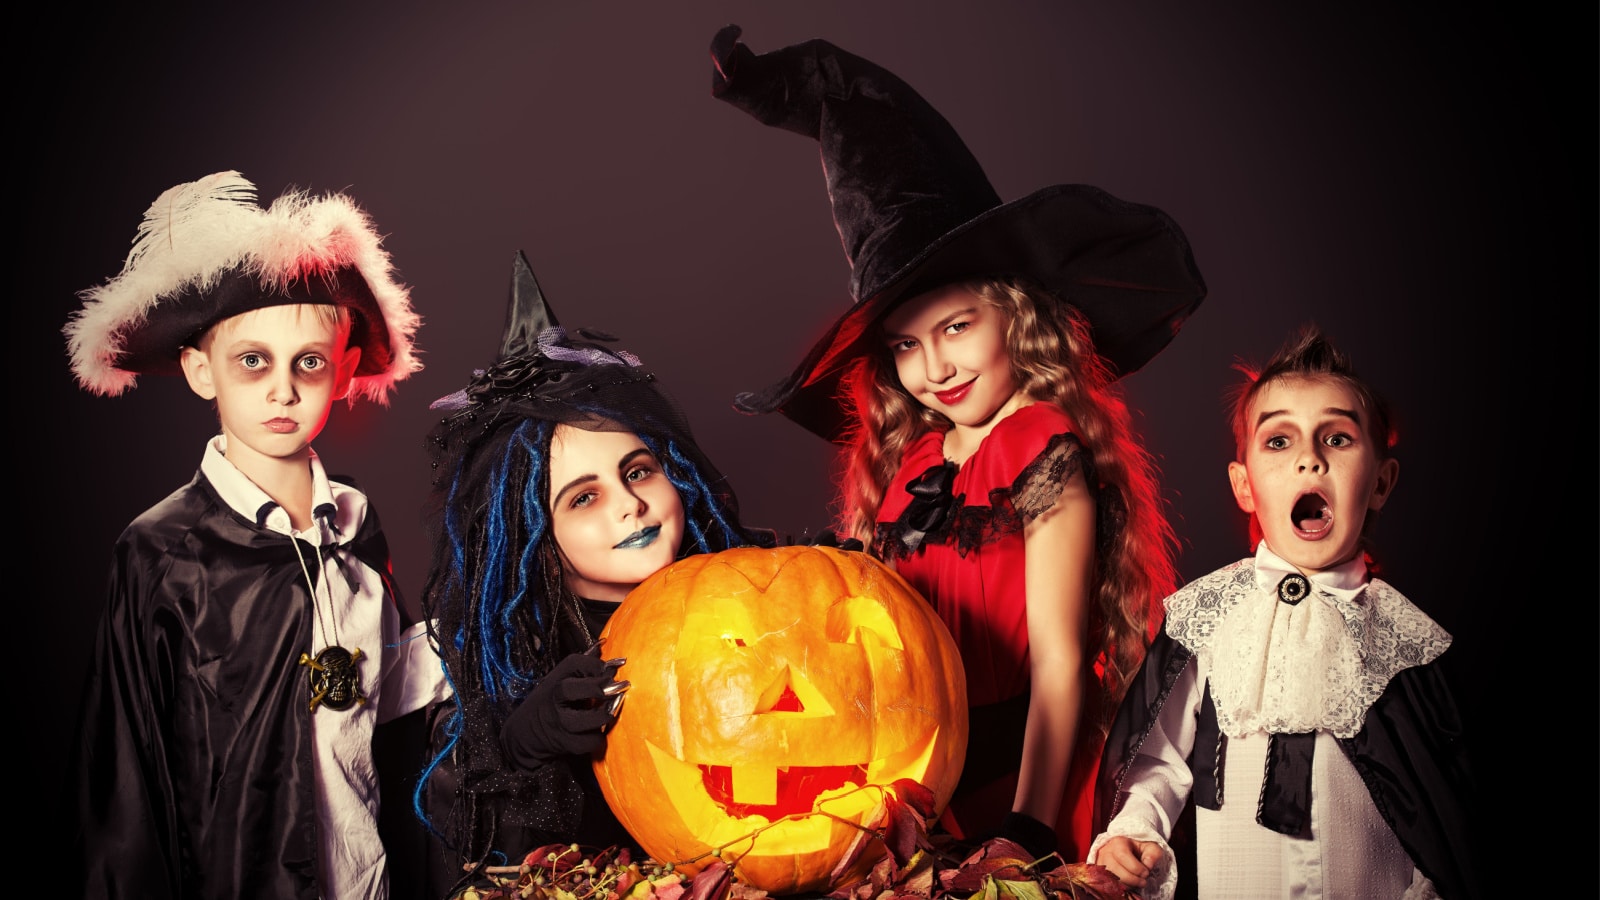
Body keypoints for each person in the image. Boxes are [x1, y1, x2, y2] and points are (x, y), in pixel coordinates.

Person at [709, 26, 1205, 863]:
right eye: (904, 345)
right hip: (925, 783)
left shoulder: (1041, 444)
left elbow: (1057, 664)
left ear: (1016, 313)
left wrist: (1030, 829)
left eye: (956, 326)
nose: (933, 366)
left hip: (1022, 782)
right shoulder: (912, 470)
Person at [64, 171, 447, 900]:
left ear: (343, 373)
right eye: (253, 362)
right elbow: (124, 777)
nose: (282, 390)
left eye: (308, 363)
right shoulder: (163, 553)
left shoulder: (356, 527)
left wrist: (481, 626)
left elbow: (379, 692)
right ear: (200, 371)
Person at [415, 251, 771, 896]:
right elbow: (486, 874)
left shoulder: (750, 592)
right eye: (583, 497)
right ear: (533, 537)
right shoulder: (503, 678)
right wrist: (526, 748)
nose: (630, 504)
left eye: (636, 471)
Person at [1088, 326, 1482, 899]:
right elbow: (1159, 758)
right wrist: (1137, 827)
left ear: (1381, 482)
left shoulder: (1404, 644)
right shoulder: (1208, 618)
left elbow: (1440, 811)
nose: (1309, 461)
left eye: (1338, 439)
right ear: (1244, 485)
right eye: (1279, 441)